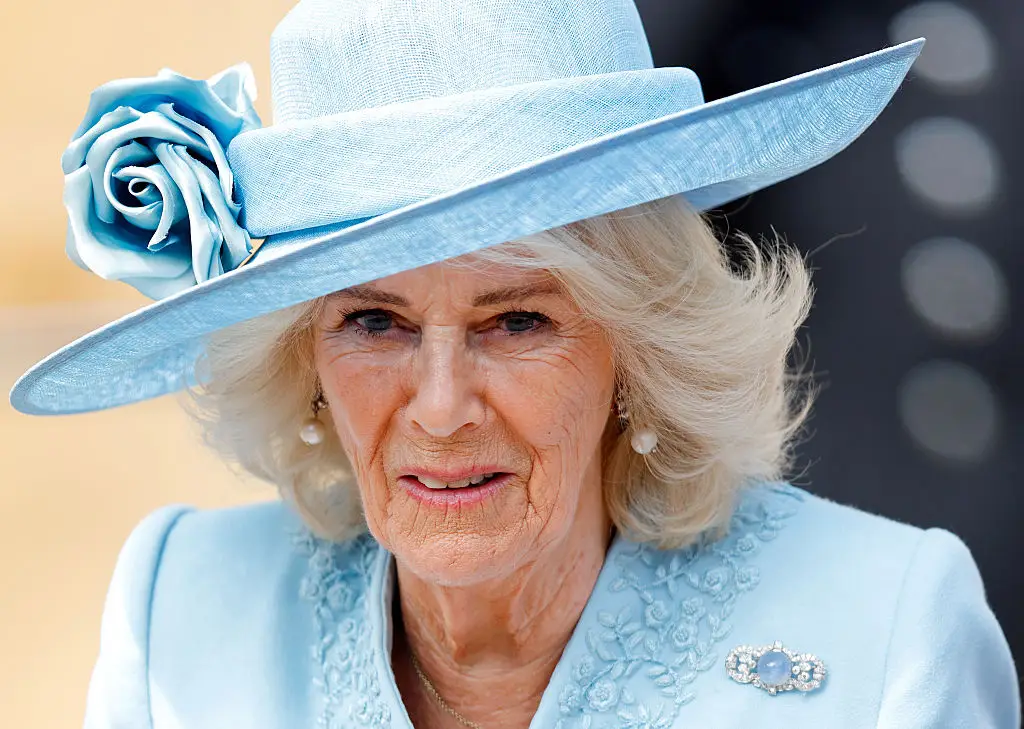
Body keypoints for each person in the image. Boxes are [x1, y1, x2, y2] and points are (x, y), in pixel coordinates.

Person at [11, 0, 1019, 727]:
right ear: (302, 361)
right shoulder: (180, 601)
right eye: (374, 322)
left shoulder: (889, 624)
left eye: (516, 323)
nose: (442, 408)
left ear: (639, 346)